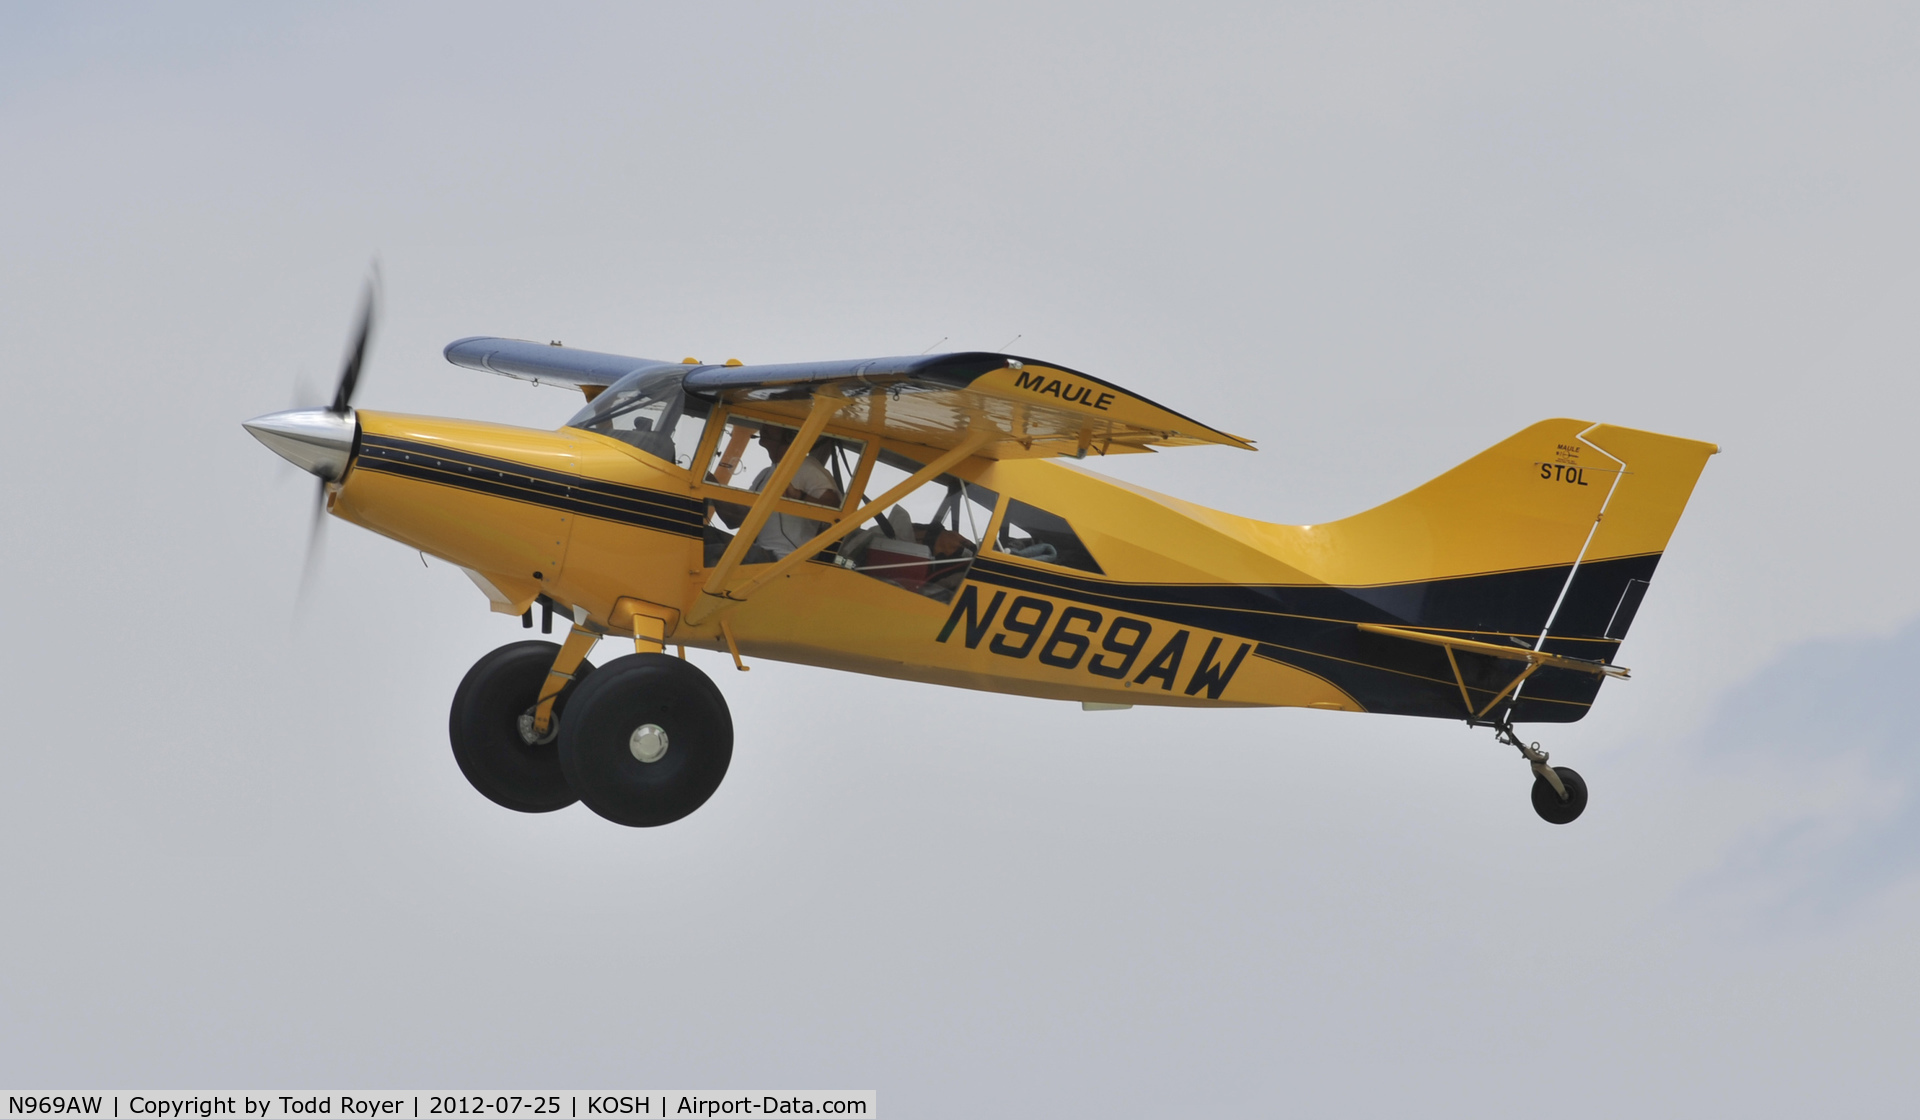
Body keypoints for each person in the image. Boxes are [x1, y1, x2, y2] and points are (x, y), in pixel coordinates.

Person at [747, 425, 842, 559]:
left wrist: (800, 496)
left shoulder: (808, 467)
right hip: (758, 551)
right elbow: (735, 520)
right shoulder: (764, 474)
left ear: (789, 434)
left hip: (784, 559)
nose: (764, 427)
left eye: (774, 423)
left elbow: (834, 507)